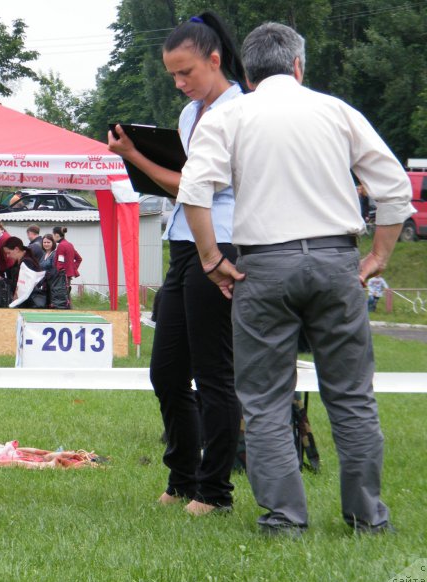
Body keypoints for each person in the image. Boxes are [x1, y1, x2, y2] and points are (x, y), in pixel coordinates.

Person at [177, 22, 412, 535]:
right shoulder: (337, 111)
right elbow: (395, 187)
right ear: (298, 66)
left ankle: (284, 518)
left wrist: (212, 259)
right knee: (351, 396)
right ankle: (368, 519)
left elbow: (194, 191)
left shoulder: (229, 115)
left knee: (264, 400)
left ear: (247, 73)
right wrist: (378, 255)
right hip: (336, 261)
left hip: (263, 266)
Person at [107, 11, 246, 516]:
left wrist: (135, 157)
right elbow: (185, 186)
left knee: (214, 374)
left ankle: (216, 491)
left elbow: (194, 185)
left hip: (223, 245)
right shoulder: (190, 116)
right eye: (172, 75)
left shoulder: (241, 112)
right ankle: (183, 478)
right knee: (166, 373)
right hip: (184, 245)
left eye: (186, 71)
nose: (179, 82)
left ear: (215, 59)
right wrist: (140, 157)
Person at [1, 236, 44, 304]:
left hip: (28, 302)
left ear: (16, 249)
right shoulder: (20, 261)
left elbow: (25, 285)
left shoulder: (26, 262)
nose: (7, 256)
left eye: (8, 253)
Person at [52, 226, 82, 306]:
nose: (52, 237)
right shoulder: (69, 244)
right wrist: (72, 269)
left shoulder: (61, 245)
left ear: (57, 235)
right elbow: (79, 259)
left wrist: (60, 270)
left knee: (63, 296)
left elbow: (60, 261)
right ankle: (69, 309)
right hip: (67, 275)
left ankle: (67, 309)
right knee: (67, 295)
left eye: (53, 235)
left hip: (62, 276)